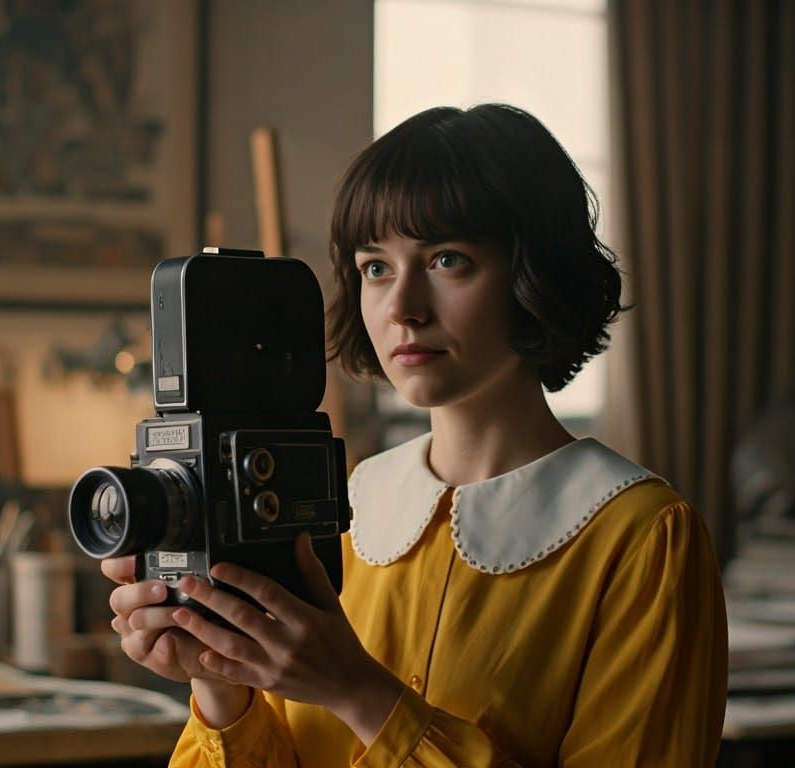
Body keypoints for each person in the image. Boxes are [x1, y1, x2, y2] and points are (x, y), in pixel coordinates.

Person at [103, 104, 728, 767]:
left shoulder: (642, 539)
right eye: (376, 268)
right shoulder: (343, 509)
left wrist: (358, 693)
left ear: (535, 273)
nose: (402, 308)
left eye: (448, 260)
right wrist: (219, 682)